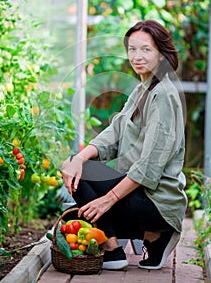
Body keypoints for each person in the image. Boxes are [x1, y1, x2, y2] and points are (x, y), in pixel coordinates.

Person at [61, 19, 187, 271]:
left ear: (162, 55)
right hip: (139, 193)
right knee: (77, 168)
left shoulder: (163, 94)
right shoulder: (144, 88)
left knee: (84, 200)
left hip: (157, 201)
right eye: (132, 49)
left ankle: (117, 245)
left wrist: (108, 199)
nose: (136, 56)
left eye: (146, 49)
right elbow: (115, 132)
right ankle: (141, 239)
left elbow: (149, 165)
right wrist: (78, 159)